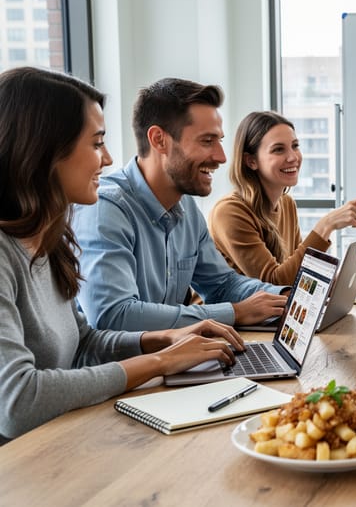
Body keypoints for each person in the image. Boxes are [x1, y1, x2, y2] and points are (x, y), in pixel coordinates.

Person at [0, 67, 245, 441]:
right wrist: (159, 362)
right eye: (97, 143)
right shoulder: (6, 255)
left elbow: (83, 344)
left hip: (60, 440)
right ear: (45, 149)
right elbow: (17, 403)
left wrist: (159, 340)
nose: (109, 158)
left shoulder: (48, 242)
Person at [72, 78, 287, 331]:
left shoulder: (186, 209)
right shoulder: (105, 208)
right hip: (121, 367)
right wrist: (234, 313)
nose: (221, 157)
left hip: (171, 361)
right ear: (159, 140)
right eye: (207, 141)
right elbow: (113, 316)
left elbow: (222, 285)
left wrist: (289, 297)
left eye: (219, 140)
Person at [208, 111, 356, 285]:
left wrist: (346, 284)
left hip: (273, 311)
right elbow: (275, 283)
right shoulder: (229, 212)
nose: (293, 157)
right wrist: (325, 226)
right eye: (278, 149)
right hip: (232, 312)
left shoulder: (286, 204)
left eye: (295, 146)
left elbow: (297, 273)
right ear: (251, 161)